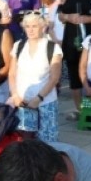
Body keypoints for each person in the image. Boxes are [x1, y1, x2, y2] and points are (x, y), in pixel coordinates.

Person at [7, 13, 63, 142]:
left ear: (42, 27)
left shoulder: (52, 47)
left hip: (46, 101)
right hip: (22, 101)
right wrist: (15, 95)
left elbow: (54, 77)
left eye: (34, 26)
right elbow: (12, 73)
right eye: (27, 26)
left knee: (48, 141)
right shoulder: (18, 46)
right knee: (24, 141)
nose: (30, 30)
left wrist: (39, 98)